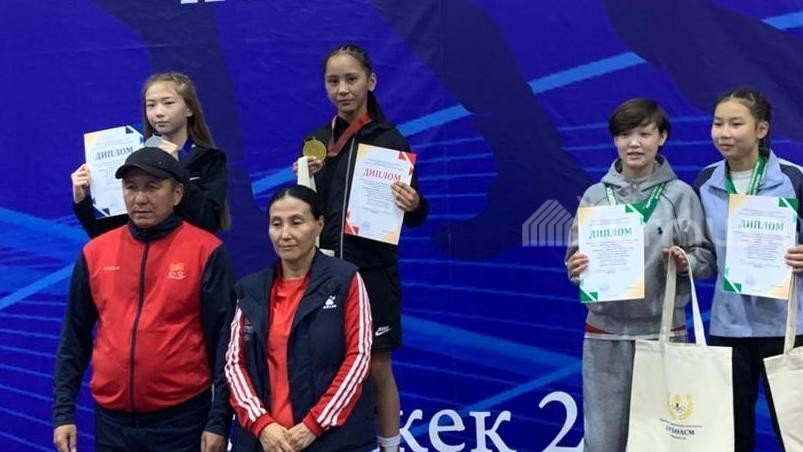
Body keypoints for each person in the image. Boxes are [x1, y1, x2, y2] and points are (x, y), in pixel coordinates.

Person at [53, 147, 235, 452]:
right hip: (111, 424)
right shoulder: (95, 252)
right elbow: (74, 336)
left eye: (152, 187)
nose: (139, 198)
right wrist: (62, 413)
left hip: (182, 421)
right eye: (131, 187)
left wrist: (219, 421)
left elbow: (226, 342)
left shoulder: (206, 251)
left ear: (177, 193)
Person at [293, 44, 428, 452]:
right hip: (323, 273)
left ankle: (389, 448)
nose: (343, 89)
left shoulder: (389, 139)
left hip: (372, 272)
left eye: (351, 79)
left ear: (371, 81)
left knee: (377, 366)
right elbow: (304, 209)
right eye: (333, 81)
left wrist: (413, 204)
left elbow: (416, 214)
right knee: (328, 364)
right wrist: (303, 177)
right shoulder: (315, 142)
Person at [565, 98, 715, 452]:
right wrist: (576, 269)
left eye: (644, 134)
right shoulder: (595, 196)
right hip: (605, 336)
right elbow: (574, 260)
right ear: (615, 140)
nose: (634, 143)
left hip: (663, 335)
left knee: (662, 441)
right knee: (604, 441)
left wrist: (685, 262)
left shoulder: (680, 195)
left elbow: (706, 258)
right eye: (624, 134)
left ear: (662, 138)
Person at [693, 87, 803, 452]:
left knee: (796, 434)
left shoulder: (794, 179)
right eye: (717, 123)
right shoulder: (704, 182)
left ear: (761, 129)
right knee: (730, 436)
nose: (723, 133)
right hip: (729, 329)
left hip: (788, 330)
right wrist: (684, 261)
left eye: (735, 124)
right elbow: (704, 256)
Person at [226, 185, 374, 451]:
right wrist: (262, 425)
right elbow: (234, 364)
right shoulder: (250, 289)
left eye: (296, 222)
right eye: (276, 224)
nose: (285, 234)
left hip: (331, 440)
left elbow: (359, 358)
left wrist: (314, 425)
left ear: (319, 225)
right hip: (266, 441)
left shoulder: (345, 279)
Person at [71, 71, 229, 238]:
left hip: (188, 250)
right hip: (143, 251)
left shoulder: (210, 159)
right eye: (151, 105)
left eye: (168, 103)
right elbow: (108, 235)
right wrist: (82, 200)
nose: (159, 112)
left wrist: (177, 169)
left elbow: (207, 224)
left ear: (189, 109)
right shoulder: (135, 158)